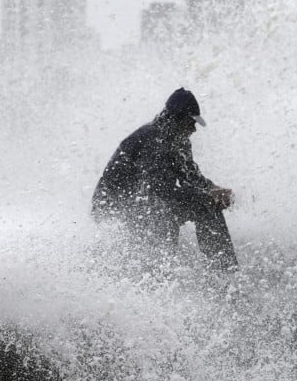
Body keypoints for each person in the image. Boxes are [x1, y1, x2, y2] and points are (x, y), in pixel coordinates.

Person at [92, 87, 238, 270]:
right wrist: (206, 196)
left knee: (207, 204)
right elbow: (159, 192)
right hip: (114, 212)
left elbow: (190, 176)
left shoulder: (177, 139)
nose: (194, 129)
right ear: (176, 119)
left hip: (142, 204)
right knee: (172, 208)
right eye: (190, 122)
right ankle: (161, 275)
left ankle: (225, 274)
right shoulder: (153, 140)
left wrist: (214, 190)